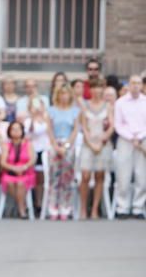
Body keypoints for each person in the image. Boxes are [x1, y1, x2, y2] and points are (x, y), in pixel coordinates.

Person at [78, 79, 115, 220]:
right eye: (94, 88)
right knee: (85, 176)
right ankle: (83, 209)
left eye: (99, 88)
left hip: (103, 144)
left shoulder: (108, 106)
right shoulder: (84, 105)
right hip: (88, 144)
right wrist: (91, 143)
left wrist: (103, 140)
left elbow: (112, 125)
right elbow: (84, 126)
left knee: (100, 176)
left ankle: (94, 209)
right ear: (90, 90)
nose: (97, 90)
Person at [113, 74, 146, 219]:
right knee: (123, 174)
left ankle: (138, 207)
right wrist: (131, 137)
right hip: (125, 140)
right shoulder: (120, 102)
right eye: (133, 83)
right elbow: (118, 124)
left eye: (138, 83)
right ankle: (123, 207)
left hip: (142, 140)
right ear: (129, 85)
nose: (136, 86)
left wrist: (139, 137)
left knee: (141, 175)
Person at [46, 85, 81, 220]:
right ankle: (53, 206)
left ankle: (65, 206)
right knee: (55, 177)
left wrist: (66, 146)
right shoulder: (51, 110)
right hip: (55, 144)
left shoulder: (75, 111)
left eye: (66, 94)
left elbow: (75, 130)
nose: (64, 96)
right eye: (61, 94)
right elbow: (49, 129)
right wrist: (55, 145)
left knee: (67, 178)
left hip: (68, 144)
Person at [0, 121, 36, 218]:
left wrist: (24, 167)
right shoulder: (6, 145)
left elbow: (32, 159)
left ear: (22, 131)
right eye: (13, 129)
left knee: (21, 183)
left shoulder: (28, 144)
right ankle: (22, 205)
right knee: (9, 182)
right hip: (10, 172)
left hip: (25, 172)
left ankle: (22, 211)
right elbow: (3, 162)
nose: (16, 131)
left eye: (18, 129)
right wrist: (14, 168)